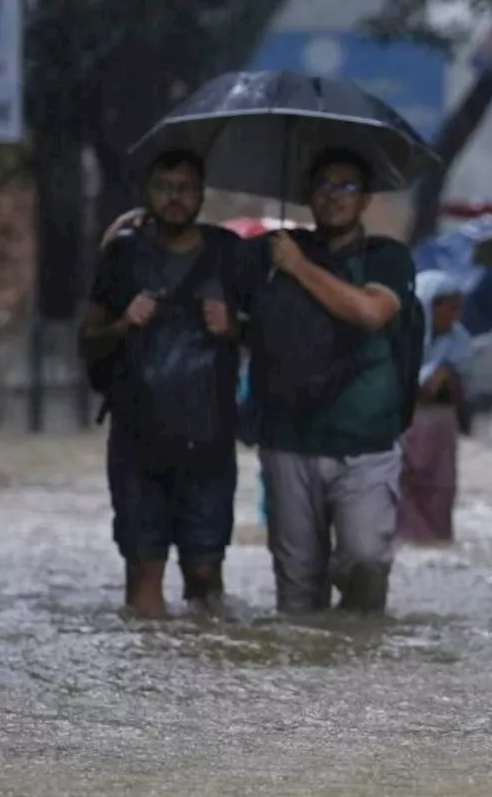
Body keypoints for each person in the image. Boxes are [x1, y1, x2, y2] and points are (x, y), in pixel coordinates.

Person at [237, 148, 417, 614]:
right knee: (297, 594)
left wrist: (299, 267)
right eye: (324, 185)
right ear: (307, 196)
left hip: (366, 443)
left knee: (366, 560)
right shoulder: (271, 254)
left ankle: (358, 663)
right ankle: (308, 681)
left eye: (347, 186)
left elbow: (370, 313)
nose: (335, 196)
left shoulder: (388, 258)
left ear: (365, 200)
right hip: (288, 440)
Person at [79, 151, 242, 617]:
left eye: (185, 186)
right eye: (163, 186)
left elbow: (267, 333)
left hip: (208, 437)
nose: (175, 197)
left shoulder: (229, 253)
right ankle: (149, 680)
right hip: (137, 439)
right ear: (146, 193)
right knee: (143, 570)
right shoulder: (123, 254)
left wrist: (232, 326)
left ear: (201, 193)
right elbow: (86, 341)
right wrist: (122, 325)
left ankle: (204, 680)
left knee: (206, 573)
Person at [397, 270, 473, 544]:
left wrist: (448, 375)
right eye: (448, 307)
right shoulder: (401, 339)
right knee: (402, 486)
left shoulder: (459, 340)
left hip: (441, 428)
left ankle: (436, 546)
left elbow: (463, 390)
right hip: (405, 425)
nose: (454, 314)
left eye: (457, 307)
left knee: (440, 490)